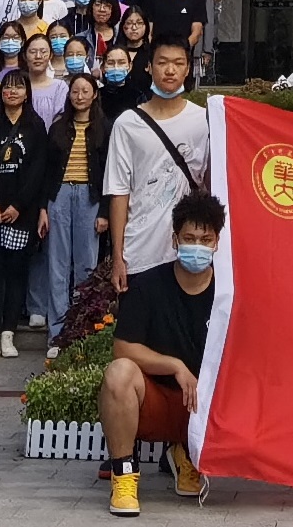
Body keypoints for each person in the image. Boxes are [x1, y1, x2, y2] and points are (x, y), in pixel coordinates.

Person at [99, 190, 223, 517]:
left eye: (205, 239)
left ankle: (188, 455)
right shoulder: (149, 285)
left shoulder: (228, 293)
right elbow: (123, 348)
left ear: (217, 243)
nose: (197, 246)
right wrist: (175, 366)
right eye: (189, 238)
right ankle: (124, 476)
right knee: (119, 374)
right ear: (174, 240)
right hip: (157, 402)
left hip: (206, 407)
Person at [103, 34, 213, 280]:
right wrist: (118, 257)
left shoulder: (205, 122)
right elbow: (119, 193)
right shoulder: (127, 124)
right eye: (162, 62)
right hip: (139, 253)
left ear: (187, 69)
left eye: (178, 63)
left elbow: (213, 185)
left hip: (189, 253)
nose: (170, 70)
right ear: (149, 67)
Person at [0, 78, 58, 358]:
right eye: (7, 87)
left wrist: (19, 205)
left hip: (21, 213)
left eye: (18, 87)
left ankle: (9, 334)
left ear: (26, 93)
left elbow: (38, 171)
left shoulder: (36, 128)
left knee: (16, 273)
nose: (12, 92)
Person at [40, 68, 104, 334]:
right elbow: (45, 170)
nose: (79, 96)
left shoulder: (105, 128)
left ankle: (82, 330)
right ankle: (57, 332)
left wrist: (106, 211)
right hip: (59, 196)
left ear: (94, 95)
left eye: (85, 91)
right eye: (75, 91)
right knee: (57, 264)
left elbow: (110, 173)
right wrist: (43, 207)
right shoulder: (57, 128)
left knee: (86, 265)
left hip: (90, 198)